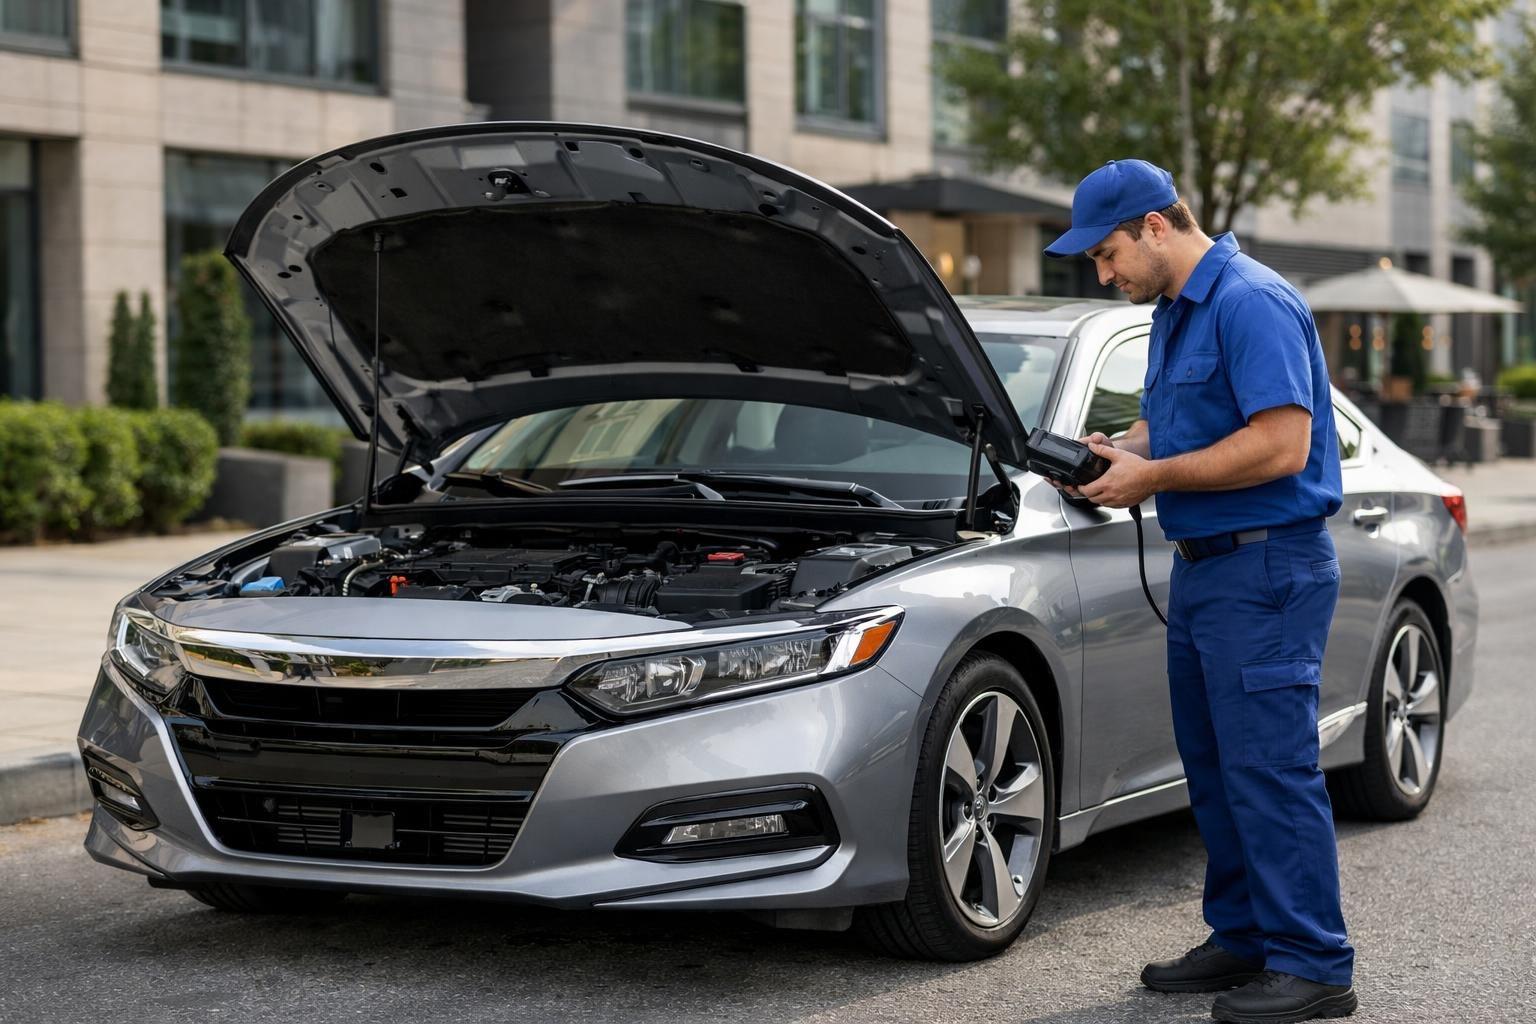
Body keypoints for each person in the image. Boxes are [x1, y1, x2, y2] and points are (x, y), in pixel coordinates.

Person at [1043, 160, 1357, 1024]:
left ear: (1153, 225)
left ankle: (1314, 964)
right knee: (1216, 769)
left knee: (1271, 769)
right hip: (1208, 572)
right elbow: (1184, 425)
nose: (1105, 276)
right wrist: (1125, 451)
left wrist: (1155, 478)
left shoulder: (1253, 301)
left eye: (1107, 255)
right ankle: (1246, 937)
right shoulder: (1179, 314)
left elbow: (1282, 445)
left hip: (1266, 568)